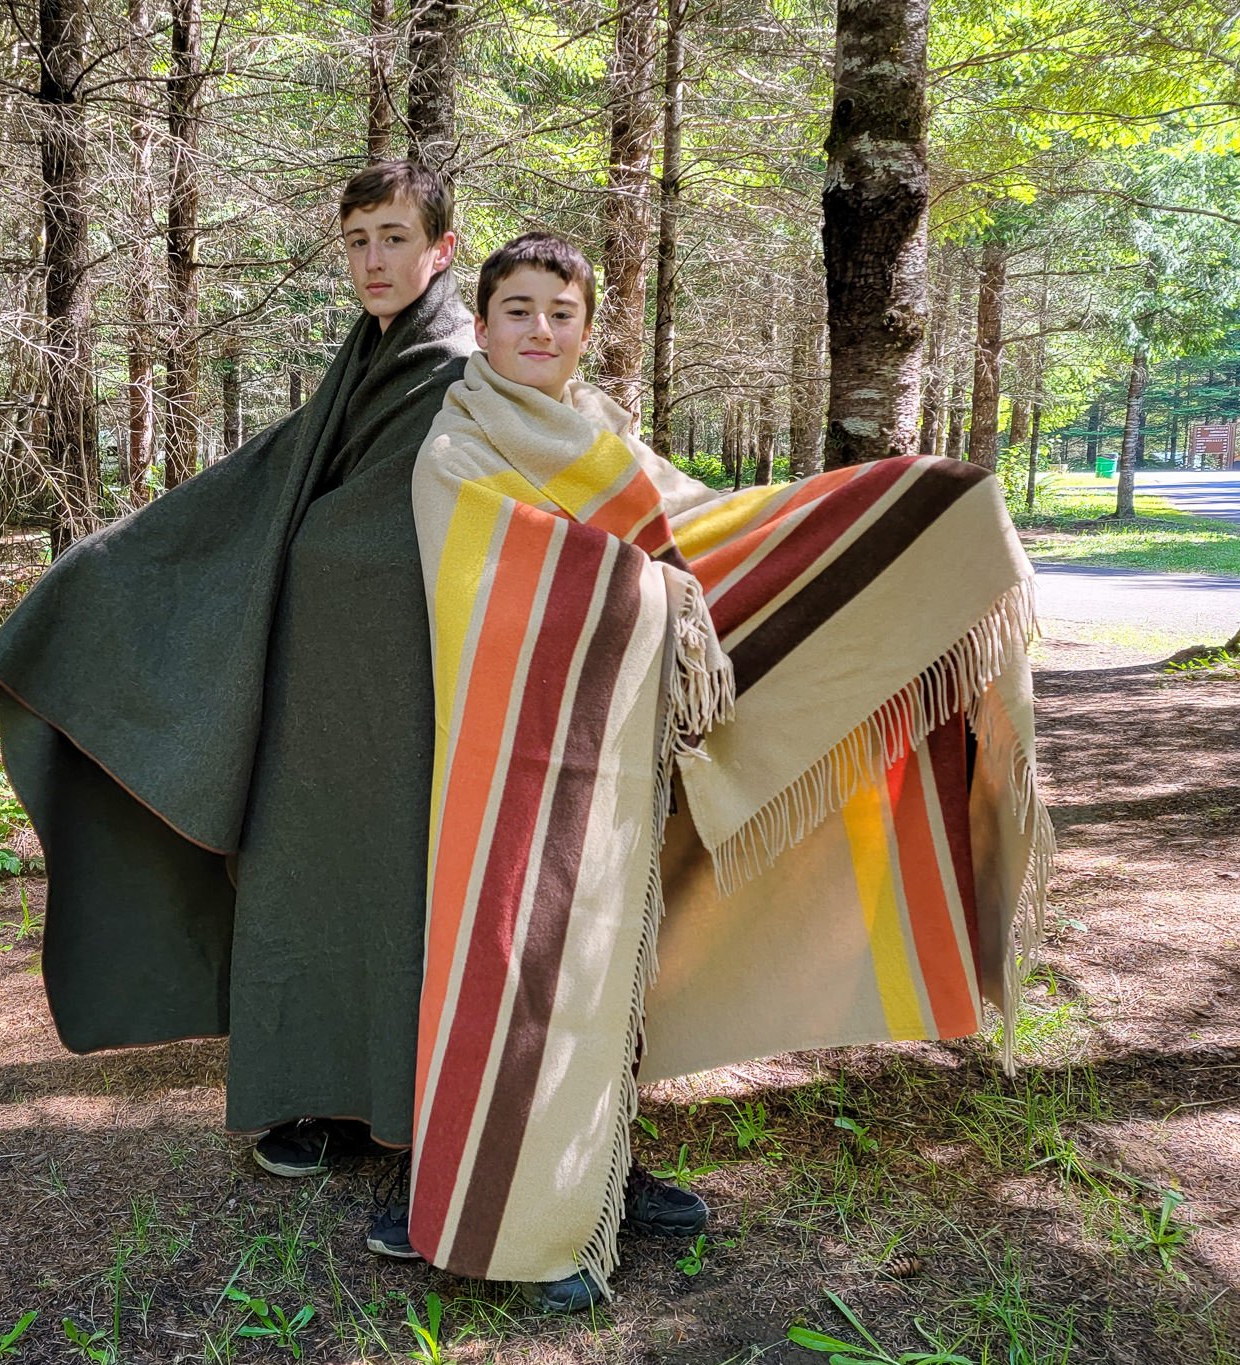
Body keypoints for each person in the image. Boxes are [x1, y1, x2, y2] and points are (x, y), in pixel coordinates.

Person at [398, 232, 1048, 1312]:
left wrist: (908, 512)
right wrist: (655, 600)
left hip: (621, 739)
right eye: (516, 310)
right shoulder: (455, 448)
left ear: (587, 329)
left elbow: (699, 530)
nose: (540, 331)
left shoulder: (601, 434)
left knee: (619, 963)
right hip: (517, 760)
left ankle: (598, 1172)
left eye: (561, 312)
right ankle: (524, 1230)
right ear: (480, 322)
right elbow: (510, 589)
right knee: (533, 955)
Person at [0, 158, 467, 1231]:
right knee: (299, 883)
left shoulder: (450, 366)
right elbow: (271, 479)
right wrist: (123, 566)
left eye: (392, 237)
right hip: (322, 688)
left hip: (394, 694)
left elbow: (364, 532)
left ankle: (416, 1115)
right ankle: (322, 1100)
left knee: (387, 891)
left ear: (441, 250)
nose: (372, 261)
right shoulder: (369, 356)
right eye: (356, 242)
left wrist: (271, 564)